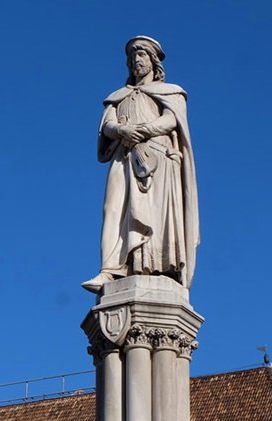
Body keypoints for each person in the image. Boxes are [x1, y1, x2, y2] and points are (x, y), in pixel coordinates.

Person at [83, 36, 199, 293]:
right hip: (123, 157)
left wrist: (144, 130)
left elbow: (172, 120)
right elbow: (107, 124)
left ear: (153, 61)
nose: (137, 61)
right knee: (112, 208)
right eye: (133, 57)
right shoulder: (118, 97)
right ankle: (109, 270)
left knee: (154, 214)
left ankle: (155, 265)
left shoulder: (171, 92)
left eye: (142, 56)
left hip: (157, 161)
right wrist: (123, 131)